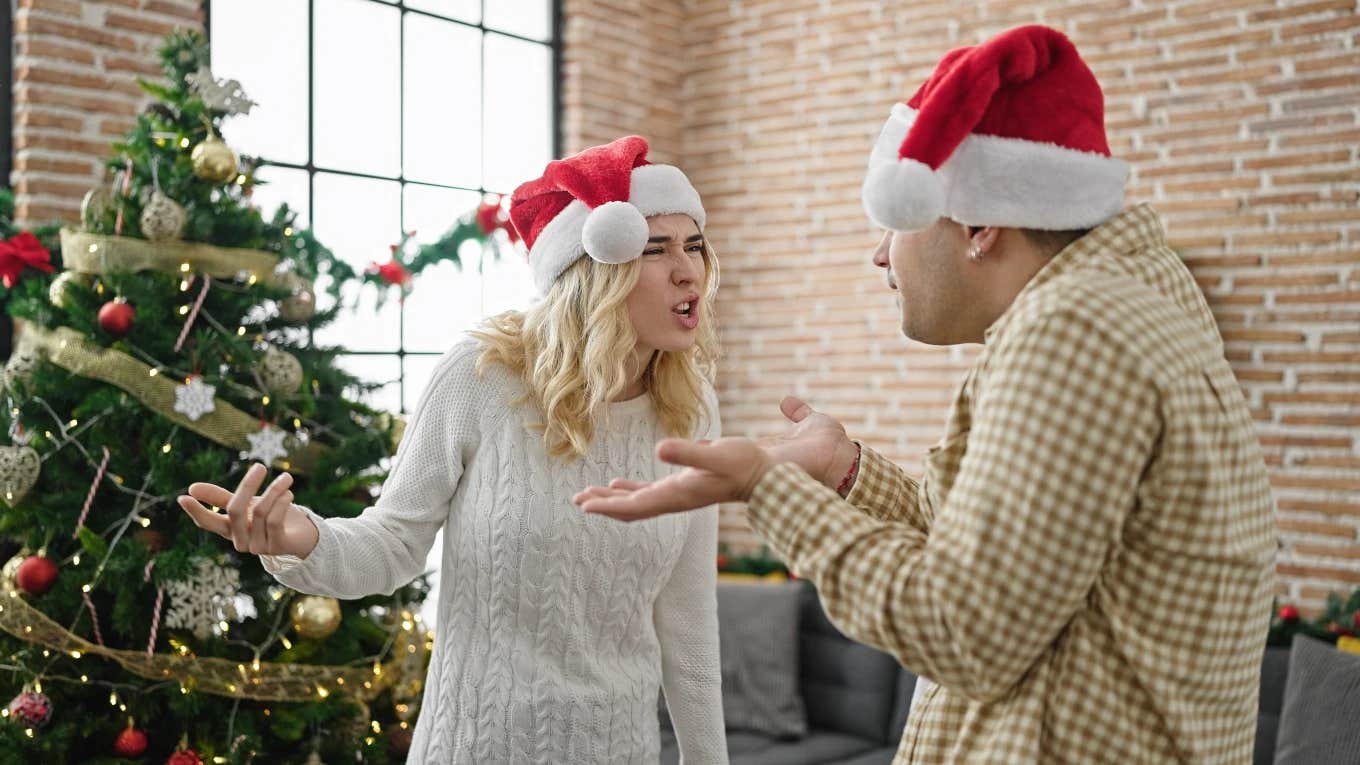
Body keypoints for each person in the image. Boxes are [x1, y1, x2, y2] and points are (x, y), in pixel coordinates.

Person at [576, 26, 1275, 764]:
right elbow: (992, 557)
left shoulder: (1073, 329)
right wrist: (844, 469)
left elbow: (965, 627)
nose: (880, 252)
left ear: (978, 224)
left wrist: (766, 484)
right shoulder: (1118, 299)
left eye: (895, 221)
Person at [179, 135, 730, 765]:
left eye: (695, 247)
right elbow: (392, 545)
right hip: (476, 748)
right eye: (656, 250)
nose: (689, 271)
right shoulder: (482, 376)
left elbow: (687, 621)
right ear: (597, 271)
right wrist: (302, 538)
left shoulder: (690, 410)